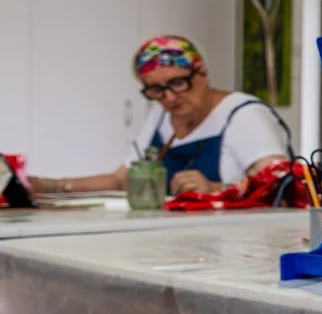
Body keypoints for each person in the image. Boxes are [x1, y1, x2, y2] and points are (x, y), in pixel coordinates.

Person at [27, 35, 291, 198]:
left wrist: (215, 188)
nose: (169, 98)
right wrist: (51, 187)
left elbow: (282, 186)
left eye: (178, 83)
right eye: (156, 89)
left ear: (202, 73)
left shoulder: (242, 115)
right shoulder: (161, 116)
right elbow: (124, 179)